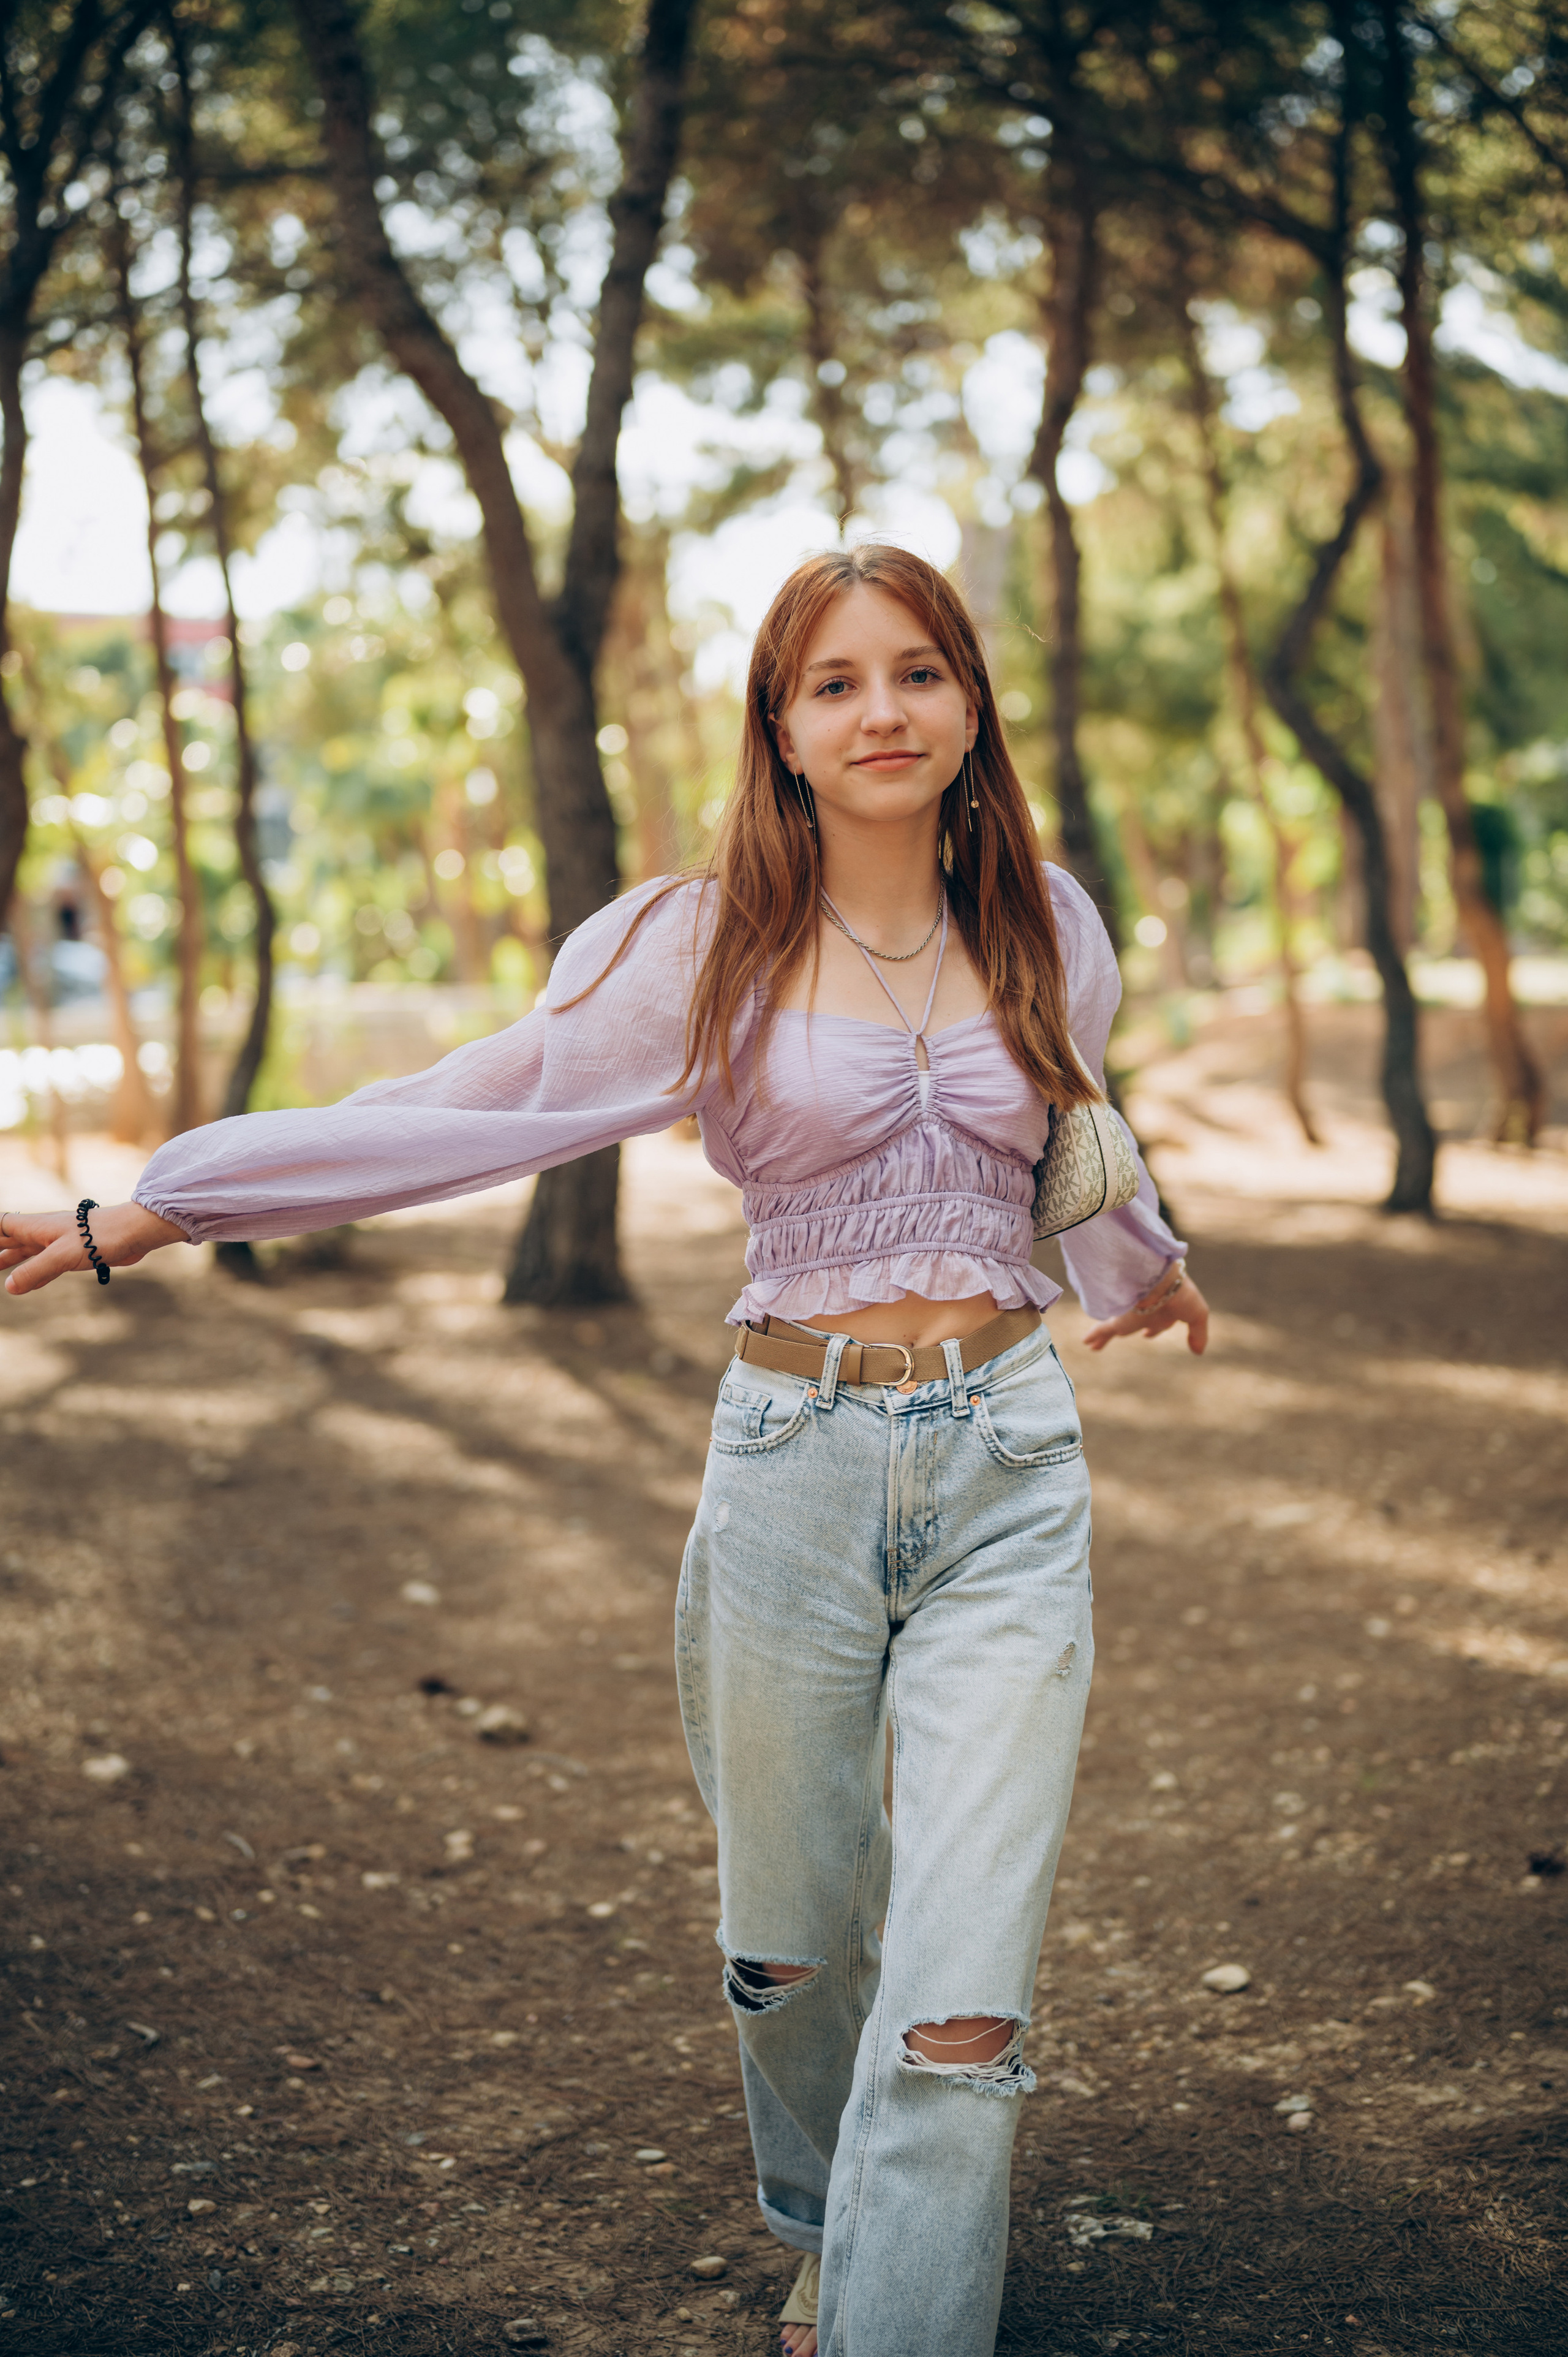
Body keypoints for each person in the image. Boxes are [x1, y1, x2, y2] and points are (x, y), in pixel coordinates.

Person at [2, 545, 1207, 2356]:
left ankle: (889, 2317)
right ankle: (825, 2215)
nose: (882, 711)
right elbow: (464, 1108)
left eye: (919, 673)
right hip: (794, 1464)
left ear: (969, 706)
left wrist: (1153, 1269)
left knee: (963, 2016)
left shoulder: (1050, 917)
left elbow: (1065, 1136)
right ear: (781, 730)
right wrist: (163, 1204)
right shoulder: (700, 942)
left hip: (1010, 1471)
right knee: (787, 1952)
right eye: (835, 683)